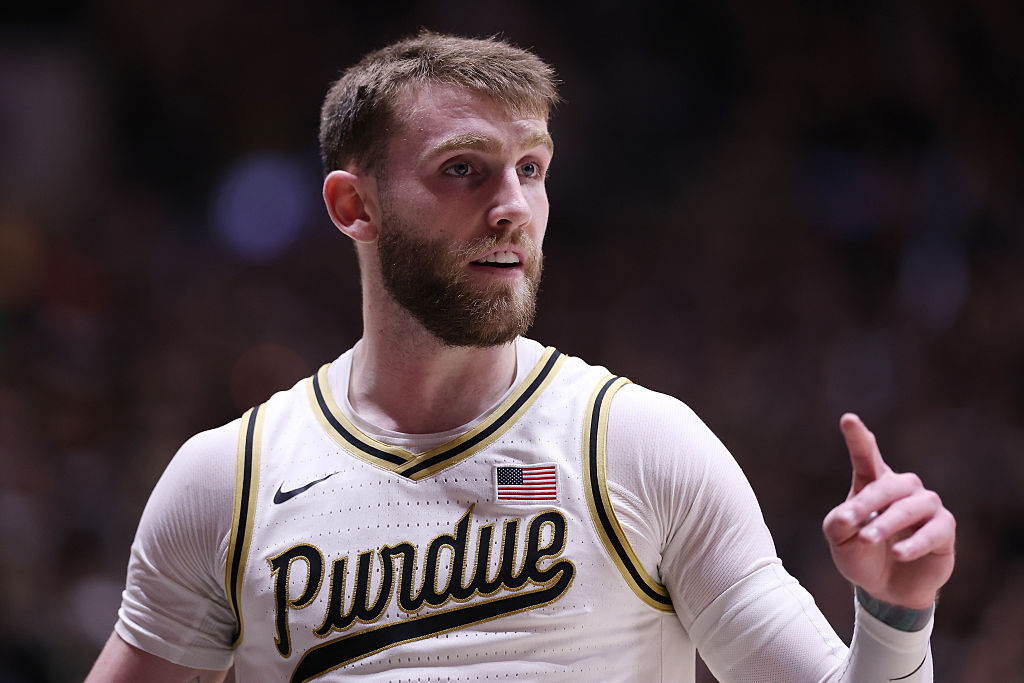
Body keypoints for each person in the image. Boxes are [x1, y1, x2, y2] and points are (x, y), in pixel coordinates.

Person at [87, 32, 956, 682]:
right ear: (356, 205)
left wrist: (892, 614)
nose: (513, 206)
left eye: (532, 169)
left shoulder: (640, 446)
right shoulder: (226, 478)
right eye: (465, 169)